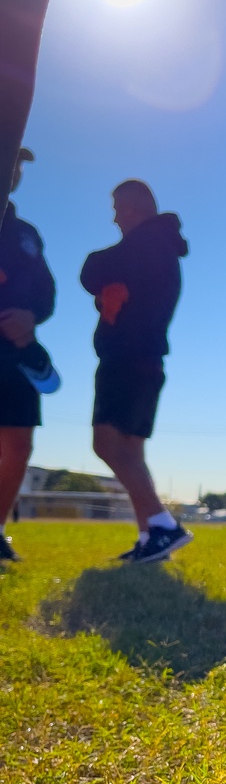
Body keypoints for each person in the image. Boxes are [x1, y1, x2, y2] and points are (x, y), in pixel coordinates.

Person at [80, 180, 191, 565]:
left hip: (128, 358)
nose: (113, 216)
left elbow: (92, 268)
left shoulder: (149, 244)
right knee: (129, 449)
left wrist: (107, 287)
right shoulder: (158, 248)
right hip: (144, 359)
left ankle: (163, 526)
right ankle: (150, 538)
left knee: (106, 443)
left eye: (117, 207)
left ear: (134, 207)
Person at [0, 147, 56, 562]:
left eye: (20, 164)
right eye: (10, 160)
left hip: (16, 355)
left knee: (18, 444)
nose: (16, 170)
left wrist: (30, 317)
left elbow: (47, 294)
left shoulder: (28, 234)